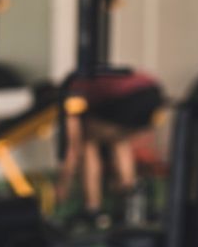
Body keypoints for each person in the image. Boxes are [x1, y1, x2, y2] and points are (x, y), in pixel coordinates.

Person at [56, 69, 164, 225]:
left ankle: (93, 209)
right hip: (153, 92)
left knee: (88, 142)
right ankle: (130, 207)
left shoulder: (71, 90)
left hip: (129, 96)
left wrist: (63, 184)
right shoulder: (90, 82)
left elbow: (74, 146)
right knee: (119, 139)